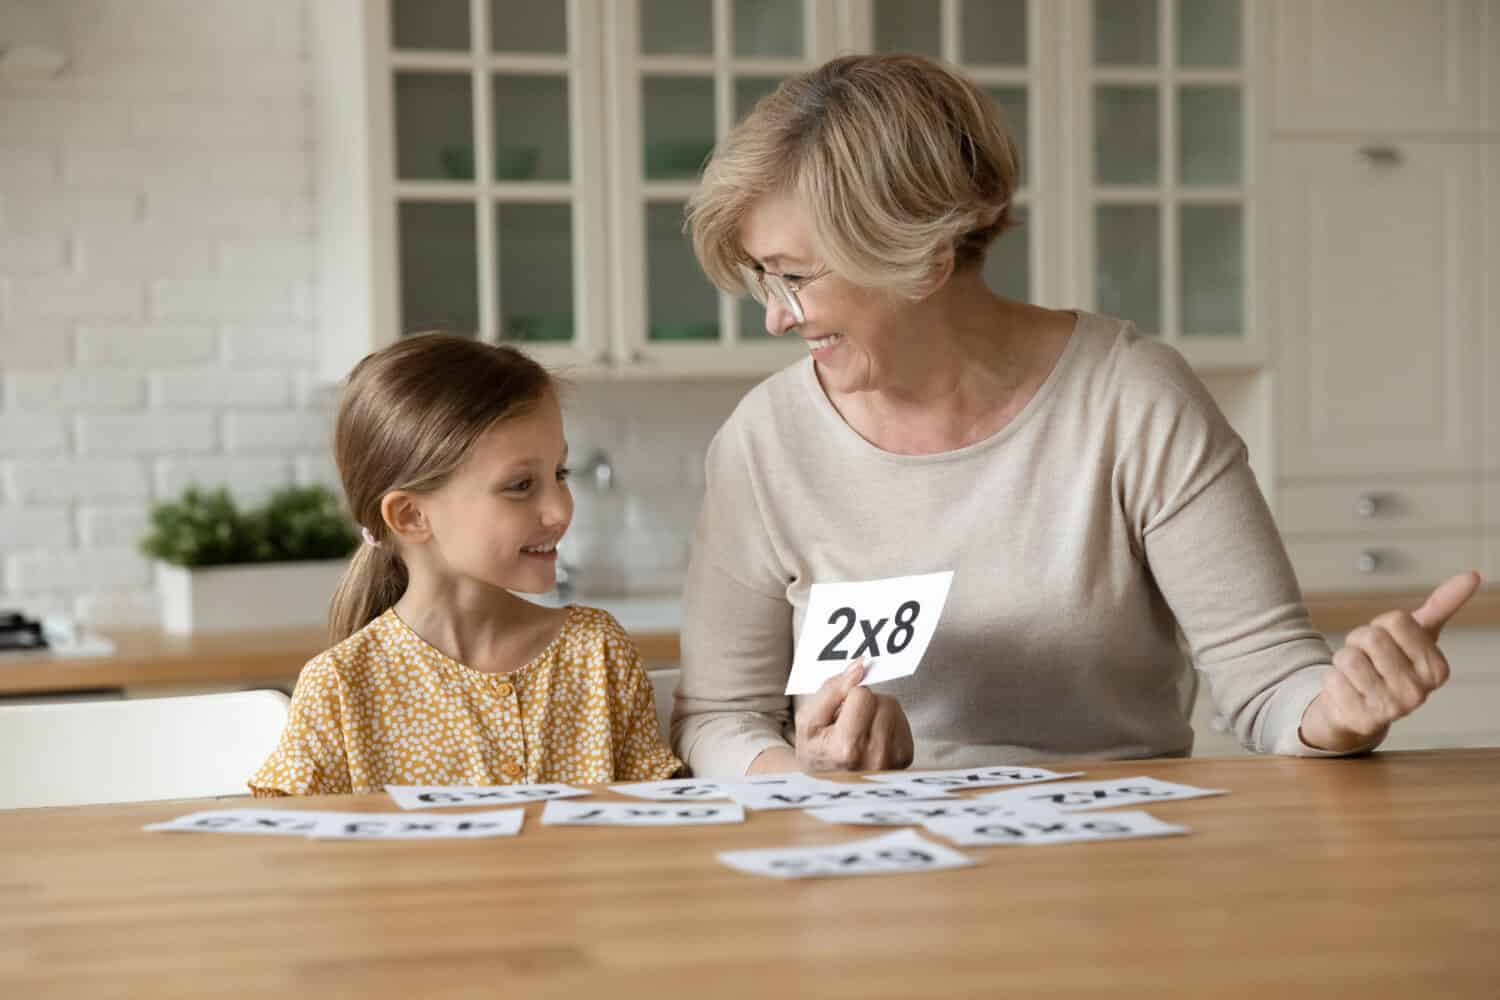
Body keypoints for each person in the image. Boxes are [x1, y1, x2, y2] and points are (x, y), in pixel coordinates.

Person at [672, 53, 1481, 779]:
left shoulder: (1132, 399)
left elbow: (1269, 681)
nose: (777, 318)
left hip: (1113, 875)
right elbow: (718, 719)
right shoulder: (763, 442)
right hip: (866, 872)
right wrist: (808, 774)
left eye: (793, 278)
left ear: (920, 261)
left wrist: (1338, 714)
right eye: (762, 280)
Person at [250, 334, 681, 796]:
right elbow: (294, 852)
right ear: (411, 516)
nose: (559, 510)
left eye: (560, 474)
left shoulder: (598, 653)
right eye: (520, 485)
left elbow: (661, 825)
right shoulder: (339, 689)